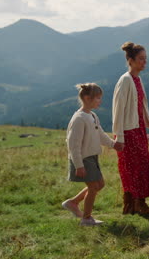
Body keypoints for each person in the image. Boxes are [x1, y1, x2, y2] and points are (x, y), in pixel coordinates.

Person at [112, 41, 149, 215]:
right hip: (127, 132)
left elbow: (143, 108)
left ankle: (136, 204)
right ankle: (133, 204)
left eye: (145, 58)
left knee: (143, 165)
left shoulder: (138, 80)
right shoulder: (125, 80)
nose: (144, 62)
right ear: (131, 60)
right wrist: (118, 137)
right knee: (134, 167)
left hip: (139, 130)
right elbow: (118, 111)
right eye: (141, 59)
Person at [62, 83, 123, 226]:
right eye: (98, 98)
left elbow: (100, 134)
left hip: (92, 157)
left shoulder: (93, 115)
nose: (100, 101)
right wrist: (78, 165)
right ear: (87, 98)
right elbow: (73, 144)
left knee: (99, 184)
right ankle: (86, 218)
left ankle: (73, 203)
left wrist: (113, 144)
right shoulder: (79, 118)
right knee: (93, 187)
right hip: (83, 159)